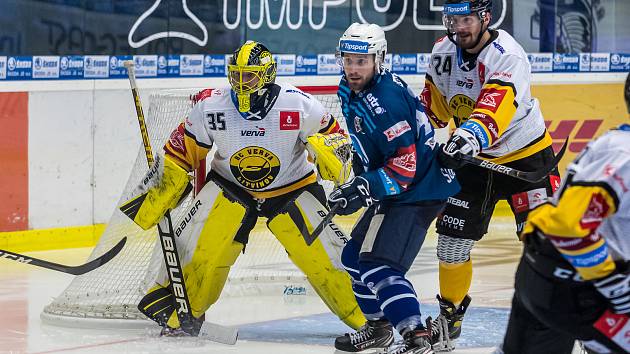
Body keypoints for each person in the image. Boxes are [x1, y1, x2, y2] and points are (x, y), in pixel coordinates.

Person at [121, 40, 366, 335]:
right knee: (201, 251)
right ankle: (178, 312)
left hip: (293, 188)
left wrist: (335, 163)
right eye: (235, 75)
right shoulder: (211, 105)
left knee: (327, 259)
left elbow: (337, 144)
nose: (239, 82)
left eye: (248, 75)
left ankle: (371, 318)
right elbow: (179, 154)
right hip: (230, 188)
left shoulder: (299, 105)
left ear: (266, 75)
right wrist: (160, 192)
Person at [419, 0, 561, 348]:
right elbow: (432, 108)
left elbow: (494, 106)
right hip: (474, 164)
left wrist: (467, 137)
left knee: (545, 245)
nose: (459, 27)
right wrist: (413, 135)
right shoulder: (441, 52)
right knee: (451, 245)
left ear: (485, 17)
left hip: (527, 160)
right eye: (453, 19)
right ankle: (449, 318)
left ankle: (563, 320)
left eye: (466, 19)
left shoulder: (507, 55)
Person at [330, 23, 461, 354]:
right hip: (395, 189)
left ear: (379, 59)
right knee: (352, 258)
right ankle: (379, 329)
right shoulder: (349, 89)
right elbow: (372, 148)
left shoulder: (385, 101)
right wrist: (361, 178)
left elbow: (404, 168)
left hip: (417, 193)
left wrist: (362, 187)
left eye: (362, 61)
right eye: (349, 60)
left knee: (380, 267)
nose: (354, 68)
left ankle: (416, 336)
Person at [498, 73, 630, 354]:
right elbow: (567, 226)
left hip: (545, 271)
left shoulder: (617, 140)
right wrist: (614, 287)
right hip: (572, 287)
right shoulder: (625, 154)